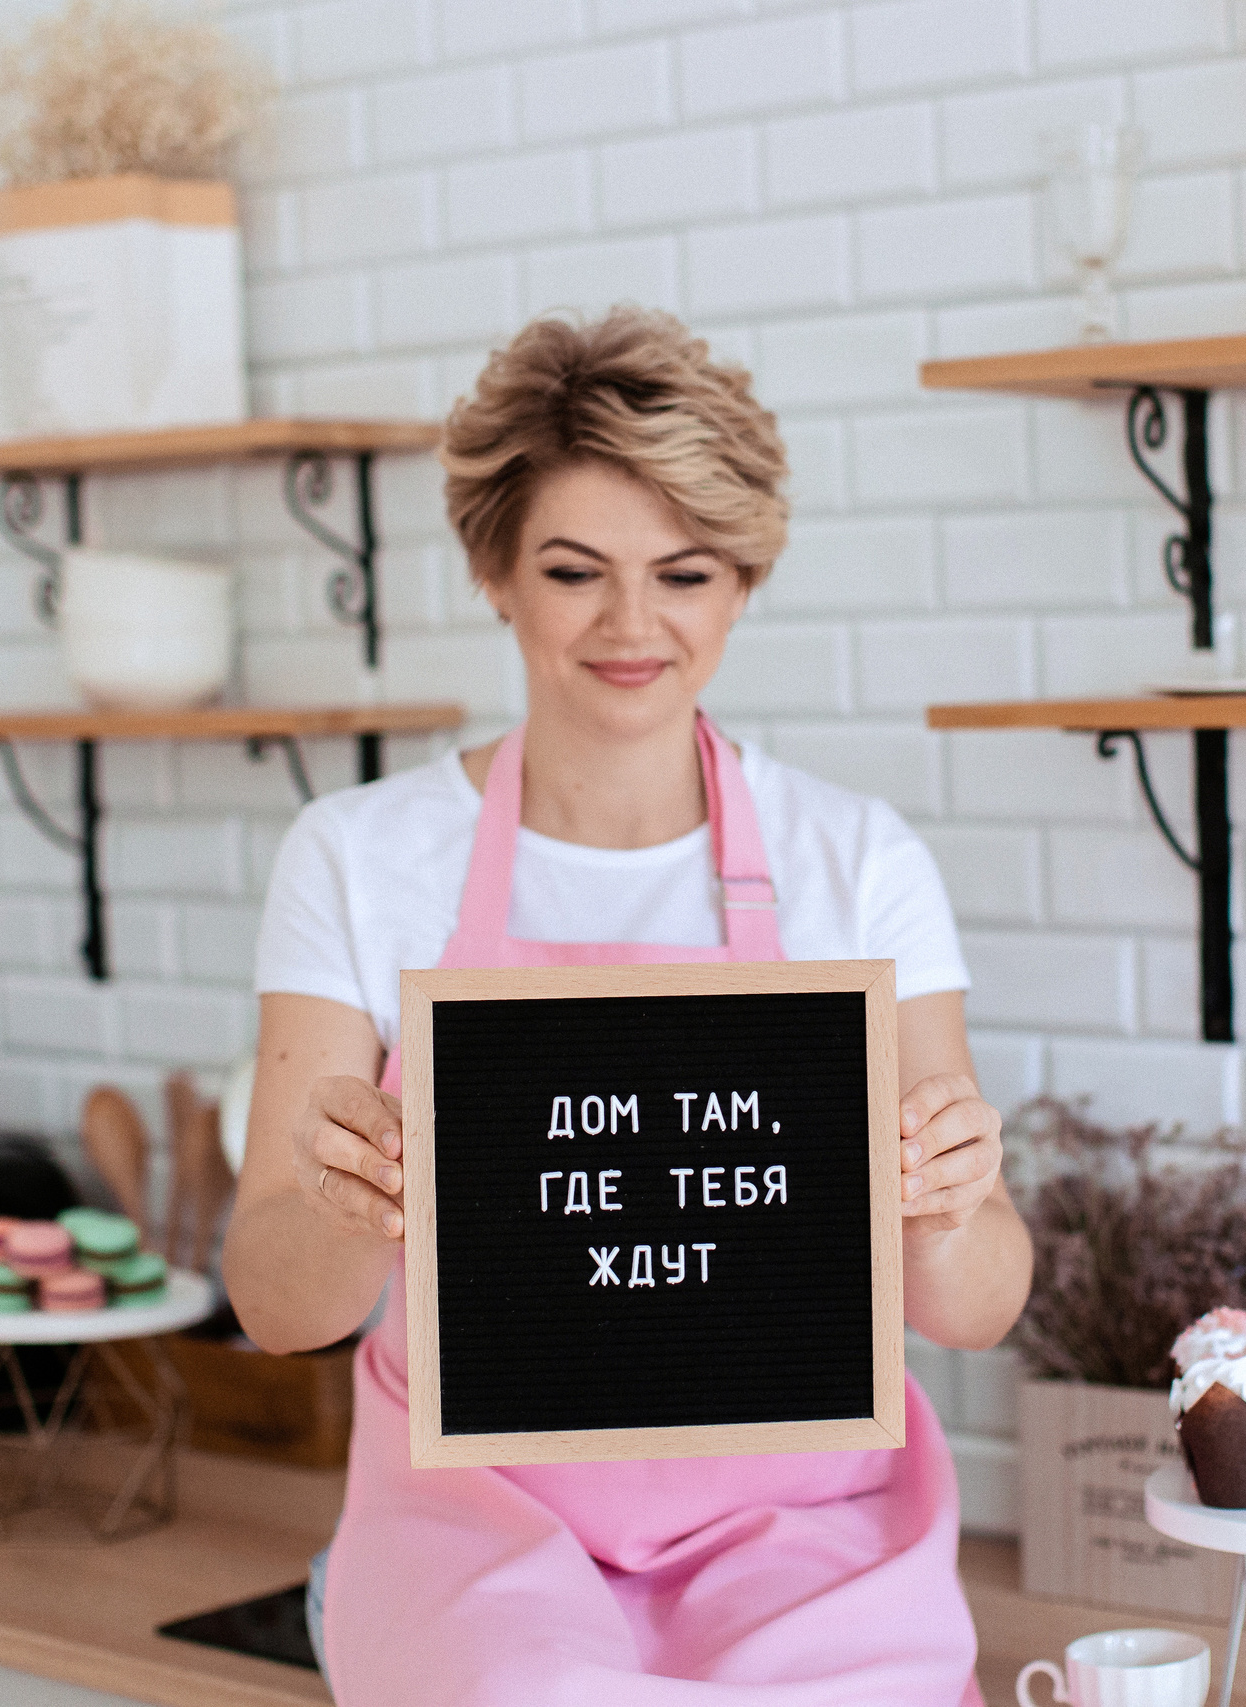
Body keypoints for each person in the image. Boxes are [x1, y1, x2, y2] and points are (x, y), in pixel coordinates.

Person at [224, 306, 1032, 1705]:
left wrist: (948, 1202)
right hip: (479, 1527)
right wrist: (344, 1205)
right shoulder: (358, 858)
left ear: (743, 584)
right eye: (574, 569)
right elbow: (276, 1302)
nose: (632, 625)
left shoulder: (858, 862)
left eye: (686, 572)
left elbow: (974, 1308)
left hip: (807, 1529)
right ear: (496, 574)